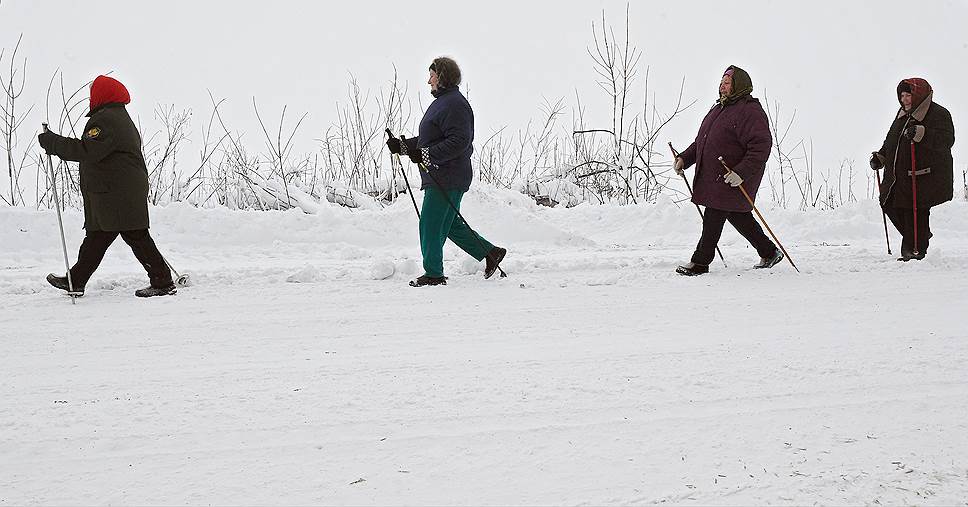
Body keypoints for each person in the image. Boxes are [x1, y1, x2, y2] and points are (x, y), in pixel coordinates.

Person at [38, 75, 176, 297]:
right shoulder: (116, 116)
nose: (90, 96)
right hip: (115, 190)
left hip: (118, 192)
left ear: (101, 94)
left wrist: (53, 143)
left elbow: (87, 151)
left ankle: (163, 282)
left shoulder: (106, 120)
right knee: (98, 236)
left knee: (135, 235)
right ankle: (76, 281)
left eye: (93, 92)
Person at [386, 57, 506, 287]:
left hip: (447, 174)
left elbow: (460, 141)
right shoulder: (443, 102)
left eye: (431, 75)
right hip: (442, 173)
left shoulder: (455, 104)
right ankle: (491, 253)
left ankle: (433, 274)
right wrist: (402, 147)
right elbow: (428, 139)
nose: (428, 80)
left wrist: (427, 155)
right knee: (448, 224)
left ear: (442, 77)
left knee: (430, 223)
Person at [673, 65, 781, 276]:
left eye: (727, 82)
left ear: (738, 85)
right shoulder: (719, 109)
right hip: (719, 176)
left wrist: (741, 173)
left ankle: (701, 262)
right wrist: (684, 159)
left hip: (734, 176)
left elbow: (761, 147)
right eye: (721, 82)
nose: (722, 86)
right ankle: (769, 252)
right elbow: (702, 142)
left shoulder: (750, 111)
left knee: (713, 214)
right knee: (738, 215)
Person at [870, 78, 954, 261]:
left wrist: (923, 134)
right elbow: (891, 142)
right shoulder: (902, 115)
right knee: (888, 203)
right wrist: (881, 157)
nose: (904, 99)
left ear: (919, 95)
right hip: (898, 176)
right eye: (902, 95)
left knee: (915, 211)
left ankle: (914, 251)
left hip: (925, 175)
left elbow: (947, 141)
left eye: (908, 95)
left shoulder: (938, 113)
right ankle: (920, 237)